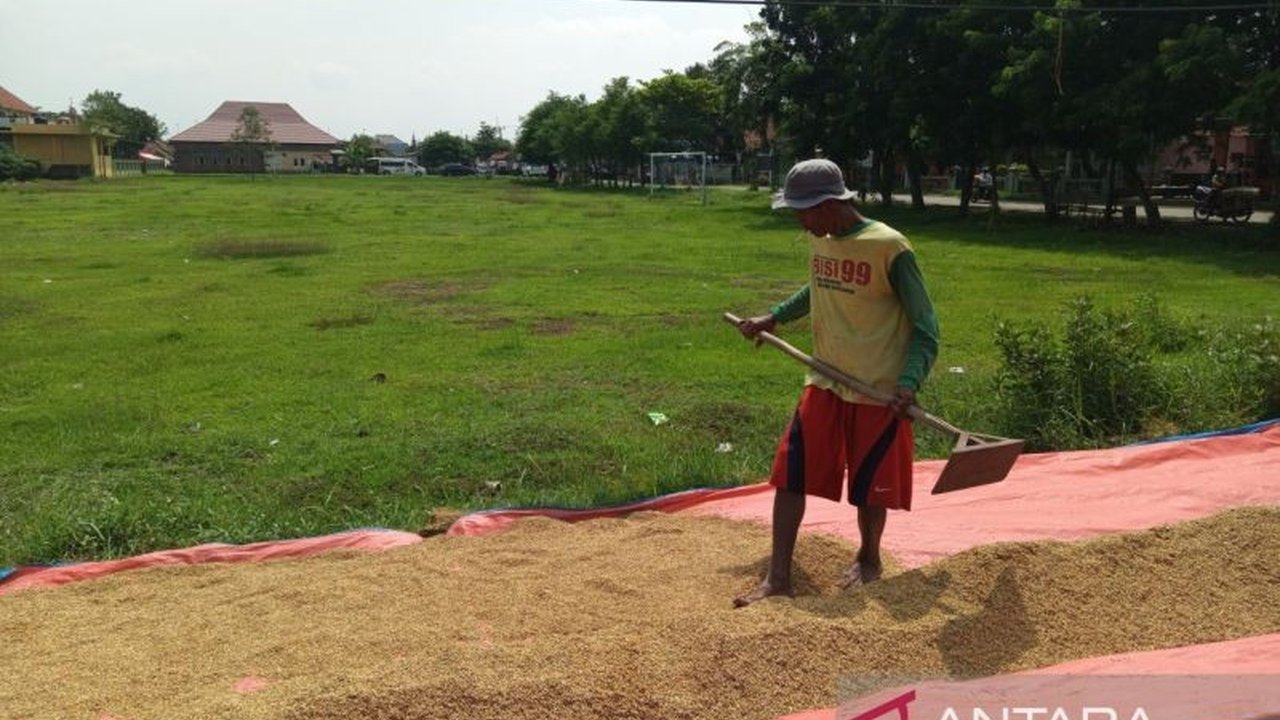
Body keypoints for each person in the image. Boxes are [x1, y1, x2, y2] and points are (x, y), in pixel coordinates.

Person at [731, 158, 940, 608]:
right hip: (824, 379)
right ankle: (778, 578)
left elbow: (926, 327)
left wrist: (908, 382)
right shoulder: (821, 239)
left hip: (877, 389)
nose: (798, 221)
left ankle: (868, 560)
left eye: (801, 211)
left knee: (870, 485)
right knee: (791, 474)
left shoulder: (890, 248)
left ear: (827, 204)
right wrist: (775, 316)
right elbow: (817, 286)